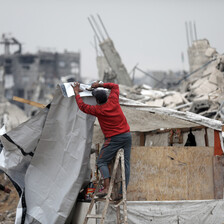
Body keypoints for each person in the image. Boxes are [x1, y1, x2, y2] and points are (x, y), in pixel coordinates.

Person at [71, 81, 132, 198]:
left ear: (97, 101)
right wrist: (100, 85)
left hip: (114, 138)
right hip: (127, 135)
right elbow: (115, 86)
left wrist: (76, 93)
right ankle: (121, 192)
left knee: (101, 162)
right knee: (126, 164)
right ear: (107, 96)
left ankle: (106, 188)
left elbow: (82, 107)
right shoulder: (113, 101)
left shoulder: (99, 110)